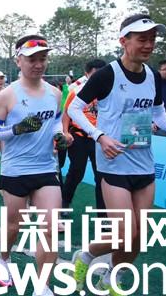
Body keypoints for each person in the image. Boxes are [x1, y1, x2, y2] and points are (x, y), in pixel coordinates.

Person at [68, 14, 166, 294]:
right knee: (125, 232)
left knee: (139, 236)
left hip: (144, 163)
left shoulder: (152, 76)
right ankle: (85, 255)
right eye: (142, 39)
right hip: (114, 164)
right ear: (124, 41)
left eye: (152, 39)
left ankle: (113, 276)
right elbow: (74, 108)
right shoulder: (107, 74)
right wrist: (99, 136)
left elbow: (158, 113)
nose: (149, 45)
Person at [0, 35, 68, 296]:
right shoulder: (7, 95)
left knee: (51, 228)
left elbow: (56, 122)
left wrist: (60, 135)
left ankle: (42, 286)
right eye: (32, 59)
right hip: (16, 170)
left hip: (46, 168)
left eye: (43, 58)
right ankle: (3, 258)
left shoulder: (55, 93)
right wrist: (17, 129)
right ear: (18, 61)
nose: (38, 64)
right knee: (14, 226)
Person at [60, 59, 107, 217]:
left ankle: (103, 215)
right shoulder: (76, 91)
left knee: (101, 176)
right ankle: (64, 202)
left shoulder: (109, 92)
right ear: (87, 74)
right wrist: (66, 132)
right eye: (95, 74)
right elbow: (67, 113)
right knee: (77, 171)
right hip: (79, 136)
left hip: (101, 139)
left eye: (102, 74)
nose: (99, 78)